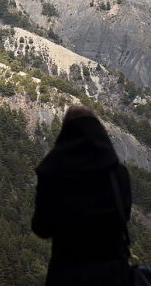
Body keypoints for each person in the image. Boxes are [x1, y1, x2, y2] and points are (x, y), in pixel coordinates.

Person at [32, 105, 131, 286]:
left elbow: (41, 228)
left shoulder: (51, 174)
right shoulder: (117, 174)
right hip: (112, 275)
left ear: (66, 133)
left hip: (67, 274)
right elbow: (124, 217)